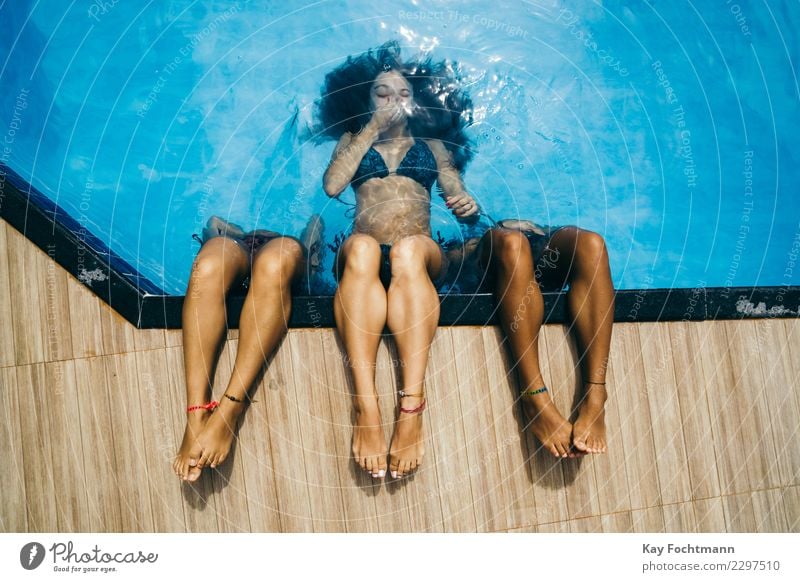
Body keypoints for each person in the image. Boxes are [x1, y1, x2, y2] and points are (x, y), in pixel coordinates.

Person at [315, 41, 479, 479]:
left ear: (414, 102)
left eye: (401, 94)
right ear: (369, 101)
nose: (392, 102)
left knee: (408, 249)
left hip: (419, 250)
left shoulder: (431, 145)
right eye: (382, 94)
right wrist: (370, 129)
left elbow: (454, 189)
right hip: (362, 249)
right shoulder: (353, 141)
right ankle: (366, 408)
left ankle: (411, 408)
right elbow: (333, 186)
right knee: (365, 248)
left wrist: (465, 202)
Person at [445, 219, 615, 457]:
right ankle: (534, 399)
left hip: (517, 234)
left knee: (591, 244)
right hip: (487, 253)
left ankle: (596, 393)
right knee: (513, 244)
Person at [173, 215, 320, 481]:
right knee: (206, 268)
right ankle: (195, 416)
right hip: (236, 245)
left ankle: (229, 410)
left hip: (282, 250)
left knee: (273, 265)